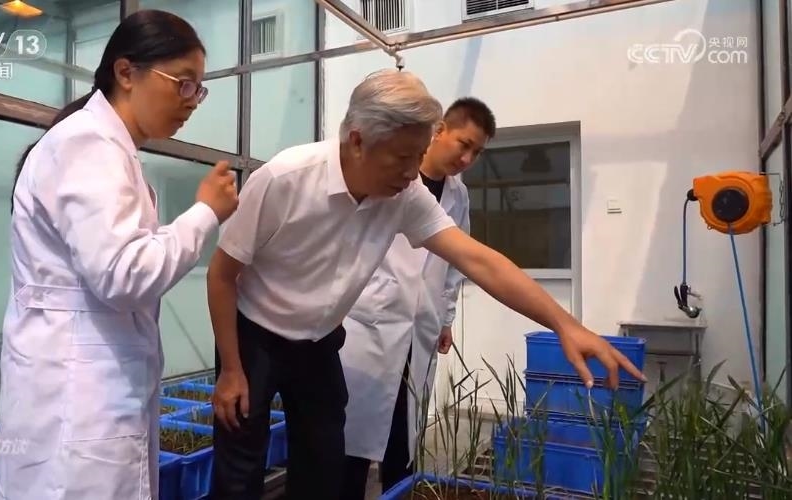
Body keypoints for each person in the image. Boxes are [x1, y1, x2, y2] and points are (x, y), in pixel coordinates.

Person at [206, 68, 644, 500]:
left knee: (323, 467)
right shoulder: (286, 177)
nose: (412, 171)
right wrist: (230, 370)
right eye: (402, 157)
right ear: (357, 140)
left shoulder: (405, 192)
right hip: (255, 335)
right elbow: (222, 275)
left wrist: (565, 325)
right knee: (240, 470)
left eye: (418, 156)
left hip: (319, 341)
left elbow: (478, 260)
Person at [0, 10, 238, 500]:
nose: (192, 101)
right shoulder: (88, 144)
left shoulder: (106, 148)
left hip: (85, 392)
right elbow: (124, 275)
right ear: (126, 72)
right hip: (78, 400)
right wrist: (204, 213)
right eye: (183, 84)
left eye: (199, 89)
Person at [339, 97, 496, 498]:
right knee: (354, 439)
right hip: (372, 321)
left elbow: (455, 263)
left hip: (420, 325)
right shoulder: (392, 176)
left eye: (477, 152)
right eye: (464, 144)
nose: (467, 158)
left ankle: (397, 490)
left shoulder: (458, 195)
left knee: (404, 436)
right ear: (440, 129)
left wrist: (446, 318)